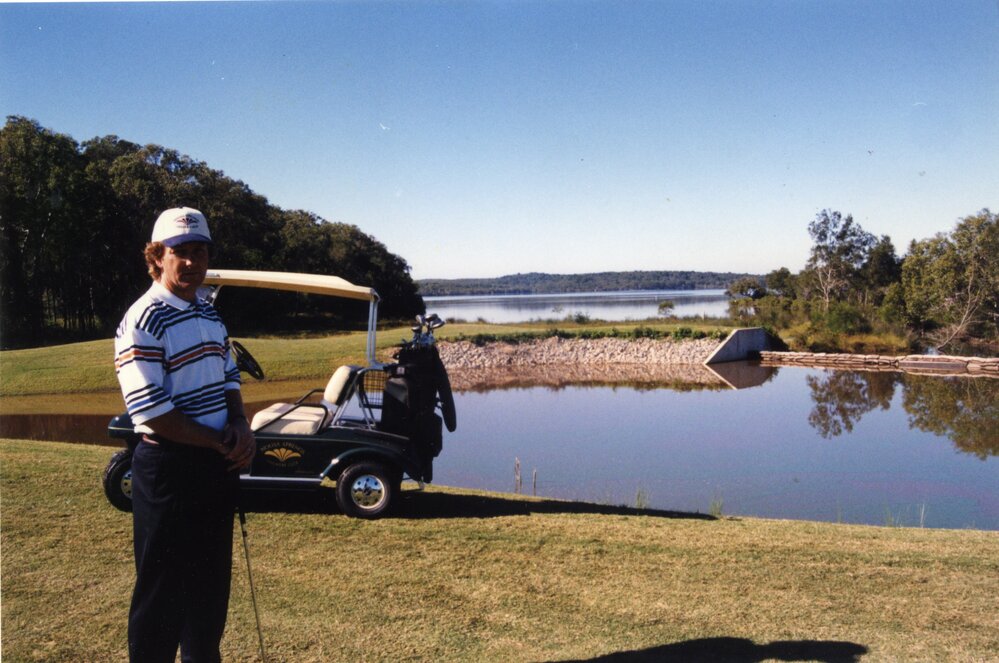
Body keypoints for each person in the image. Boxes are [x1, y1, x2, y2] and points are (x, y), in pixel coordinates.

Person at [114, 206, 255, 663]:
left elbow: (229, 376)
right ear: (158, 256)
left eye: (200, 251)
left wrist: (239, 425)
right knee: (161, 600)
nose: (192, 262)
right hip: (168, 470)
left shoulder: (209, 314)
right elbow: (153, 412)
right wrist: (221, 442)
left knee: (208, 597)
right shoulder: (144, 319)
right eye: (181, 252)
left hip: (215, 467)